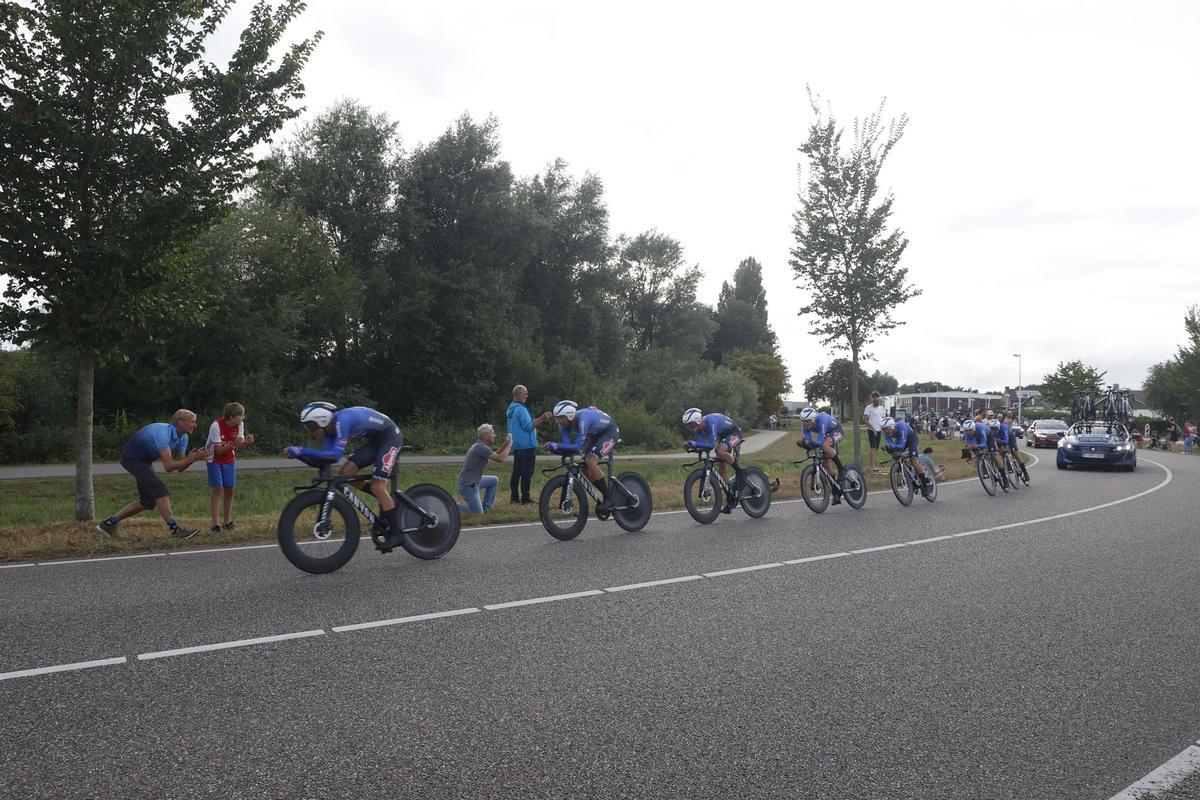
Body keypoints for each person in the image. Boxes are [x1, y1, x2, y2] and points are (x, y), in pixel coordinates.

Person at [284, 402, 406, 551]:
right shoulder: (328, 431)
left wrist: (302, 451)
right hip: (375, 441)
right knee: (346, 473)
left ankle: (396, 534)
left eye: (311, 426)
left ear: (322, 420)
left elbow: (334, 455)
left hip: (390, 436)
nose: (310, 431)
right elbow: (325, 458)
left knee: (378, 486)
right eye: (306, 427)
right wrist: (300, 455)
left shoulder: (342, 421)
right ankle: (385, 499)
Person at [96, 409, 207, 539]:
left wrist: (192, 459)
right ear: (180, 422)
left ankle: (108, 524)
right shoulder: (163, 434)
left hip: (144, 460)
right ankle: (176, 531)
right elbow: (169, 467)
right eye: (192, 422)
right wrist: (190, 459)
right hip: (132, 458)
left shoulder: (184, 437)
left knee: (148, 501)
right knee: (160, 491)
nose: (195, 425)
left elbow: (180, 468)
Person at [545, 401, 620, 513]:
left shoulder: (583, 418)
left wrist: (555, 446)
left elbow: (577, 447)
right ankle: (605, 493)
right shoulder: (563, 426)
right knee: (584, 467)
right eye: (557, 418)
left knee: (590, 461)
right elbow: (567, 447)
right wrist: (554, 448)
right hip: (595, 435)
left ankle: (608, 498)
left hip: (609, 431)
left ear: (570, 415)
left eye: (561, 418)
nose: (559, 421)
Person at [205, 402, 255, 533]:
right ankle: (215, 523)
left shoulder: (239, 425)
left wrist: (246, 442)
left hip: (229, 458)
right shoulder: (216, 426)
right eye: (241, 415)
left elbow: (238, 445)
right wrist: (234, 443)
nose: (243, 418)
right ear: (232, 417)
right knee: (218, 488)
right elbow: (218, 450)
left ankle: (227, 521)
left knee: (229, 489)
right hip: (214, 458)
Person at [682, 408, 744, 513]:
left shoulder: (711, 422)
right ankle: (731, 497)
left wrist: (693, 443)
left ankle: (740, 471)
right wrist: (691, 447)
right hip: (724, 435)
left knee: (719, 450)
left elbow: (710, 445)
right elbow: (703, 445)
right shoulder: (698, 429)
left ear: (698, 420)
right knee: (722, 467)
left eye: (691, 425)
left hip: (735, 432)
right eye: (688, 426)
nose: (691, 429)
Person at [506, 385, 552, 505]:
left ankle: (514, 498)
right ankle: (525, 500)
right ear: (518, 394)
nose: (527, 395)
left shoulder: (511, 408)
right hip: (527, 445)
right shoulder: (521, 409)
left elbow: (525, 423)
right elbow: (528, 426)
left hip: (517, 445)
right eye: (525, 393)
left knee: (516, 472)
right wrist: (543, 418)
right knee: (527, 474)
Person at [796, 407, 847, 504]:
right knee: (824, 463)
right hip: (827, 434)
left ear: (813, 419)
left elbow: (819, 441)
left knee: (824, 445)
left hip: (837, 430)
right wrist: (805, 444)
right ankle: (836, 489)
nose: (805, 424)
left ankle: (841, 468)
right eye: (803, 421)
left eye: (807, 421)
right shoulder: (805, 426)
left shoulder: (822, 419)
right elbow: (809, 440)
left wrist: (809, 443)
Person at [457, 424, 512, 513]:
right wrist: (509, 445)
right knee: (477, 513)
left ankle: (487, 507)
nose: (495, 436)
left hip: (474, 482)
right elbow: (500, 459)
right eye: (493, 433)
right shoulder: (480, 447)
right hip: (468, 486)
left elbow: (495, 455)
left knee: (494, 480)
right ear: (486, 436)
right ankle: (450, 506)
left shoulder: (480, 446)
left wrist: (505, 444)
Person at [882, 416, 929, 489]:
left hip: (912, 438)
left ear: (892, 426)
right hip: (902, 439)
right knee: (896, 455)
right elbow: (891, 445)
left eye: (886, 429)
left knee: (913, 460)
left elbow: (901, 445)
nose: (885, 432)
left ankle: (925, 483)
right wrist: (888, 448)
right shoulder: (887, 433)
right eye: (883, 430)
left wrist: (892, 446)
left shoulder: (901, 426)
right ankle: (908, 472)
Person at [863, 392, 887, 473]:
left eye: (878, 400)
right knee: (872, 447)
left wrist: (884, 430)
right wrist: (872, 429)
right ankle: (872, 466)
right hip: (872, 430)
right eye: (875, 399)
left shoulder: (882, 408)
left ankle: (871, 465)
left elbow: (883, 420)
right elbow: (865, 420)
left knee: (876, 448)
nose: (876, 401)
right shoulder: (868, 408)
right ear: (872, 399)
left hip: (879, 430)